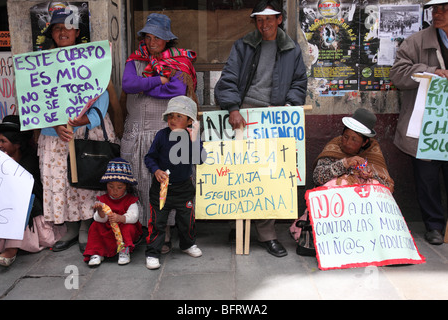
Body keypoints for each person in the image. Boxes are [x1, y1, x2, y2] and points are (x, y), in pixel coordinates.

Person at [214, 0, 308, 257]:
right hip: (244, 116)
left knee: (269, 177)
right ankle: (239, 224)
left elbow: (299, 81)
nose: (264, 24)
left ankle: (266, 234)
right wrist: (233, 107)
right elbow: (228, 79)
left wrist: (290, 106)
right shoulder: (243, 45)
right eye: (259, 19)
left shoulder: (291, 49)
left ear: (279, 19)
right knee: (240, 174)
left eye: (269, 18)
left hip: (273, 119)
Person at [37, 8, 118, 252]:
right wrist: (54, 124)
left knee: (85, 179)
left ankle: (86, 226)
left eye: (67, 28)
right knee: (61, 181)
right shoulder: (41, 63)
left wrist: (86, 120)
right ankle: (70, 227)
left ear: (77, 32)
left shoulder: (91, 59)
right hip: (55, 134)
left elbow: (101, 92)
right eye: (57, 28)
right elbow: (37, 99)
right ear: (52, 33)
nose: (62, 32)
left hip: (85, 132)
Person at [121, 13, 198, 252]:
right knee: (140, 186)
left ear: (167, 40)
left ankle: (163, 235)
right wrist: (158, 81)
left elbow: (176, 90)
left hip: (164, 135)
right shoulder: (134, 60)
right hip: (135, 135)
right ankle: (144, 232)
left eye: (158, 38)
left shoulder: (179, 62)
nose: (152, 42)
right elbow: (128, 85)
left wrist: (145, 85)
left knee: (165, 186)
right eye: (148, 36)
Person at [389, 0, 448, 245]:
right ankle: (434, 225)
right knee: (427, 178)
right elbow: (397, 75)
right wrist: (429, 71)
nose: (437, 13)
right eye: (434, 9)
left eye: (444, 8)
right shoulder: (417, 41)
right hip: (428, 125)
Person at [290, 108, 394, 243]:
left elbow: (386, 187)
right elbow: (318, 177)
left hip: (362, 213)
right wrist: (344, 164)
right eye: (345, 137)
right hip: (335, 211)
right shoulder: (334, 146)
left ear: (364, 142)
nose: (347, 143)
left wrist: (368, 175)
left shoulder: (373, 152)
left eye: (354, 140)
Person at [144, 96, 206, 270]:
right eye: (171, 115)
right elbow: (149, 157)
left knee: (187, 219)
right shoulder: (161, 136)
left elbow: (199, 160)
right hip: (161, 189)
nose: (173, 119)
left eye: (179, 116)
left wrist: (194, 140)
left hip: (184, 188)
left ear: (189, 120)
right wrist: (156, 170)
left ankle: (187, 245)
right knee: (157, 222)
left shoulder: (192, 137)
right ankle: (152, 253)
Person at [0, 116, 66, 267]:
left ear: (17, 144)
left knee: (17, 200)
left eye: (3, 141)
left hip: (30, 209)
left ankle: (11, 248)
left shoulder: (29, 161)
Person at [83, 158, 142, 266]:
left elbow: (134, 217)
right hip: (108, 228)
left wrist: (121, 218)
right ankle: (96, 252)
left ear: (126, 187)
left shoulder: (130, 200)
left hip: (122, 226)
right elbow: (99, 219)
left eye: (119, 187)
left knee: (129, 227)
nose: (115, 190)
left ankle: (124, 250)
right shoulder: (102, 199)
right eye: (111, 186)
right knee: (95, 226)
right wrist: (100, 212)